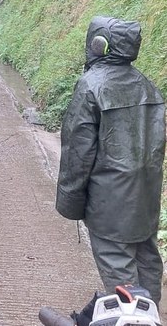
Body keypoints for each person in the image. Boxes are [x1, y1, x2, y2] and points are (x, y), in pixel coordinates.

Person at [57, 16, 166, 306]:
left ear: (98, 44)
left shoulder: (90, 86)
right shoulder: (147, 85)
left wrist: (70, 203)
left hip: (109, 201)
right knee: (147, 259)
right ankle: (152, 313)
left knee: (120, 270)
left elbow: (77, 153)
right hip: (145, 196)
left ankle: (133, 318)